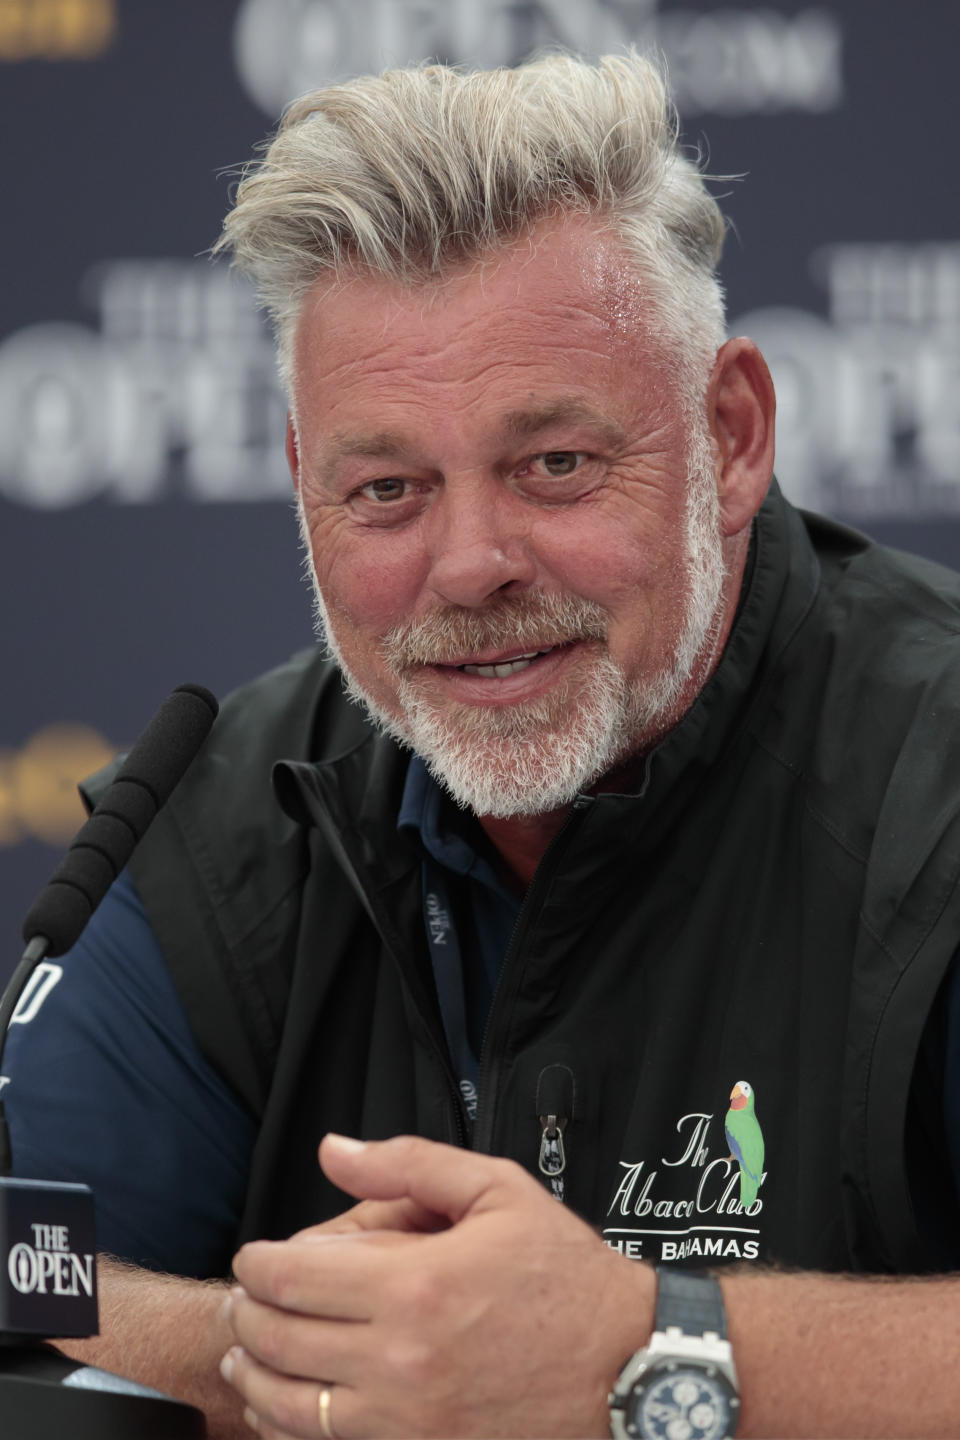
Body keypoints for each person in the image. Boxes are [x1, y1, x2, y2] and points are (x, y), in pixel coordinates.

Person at [5, 50, 960, 1440]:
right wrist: (295, 1348)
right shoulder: (211, 829)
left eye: (556, 464)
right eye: (387, 489)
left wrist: (652, 1351)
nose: (470, 566)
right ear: (301, 488)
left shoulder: (933, 784)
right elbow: (29, 1279)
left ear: (731, 435)